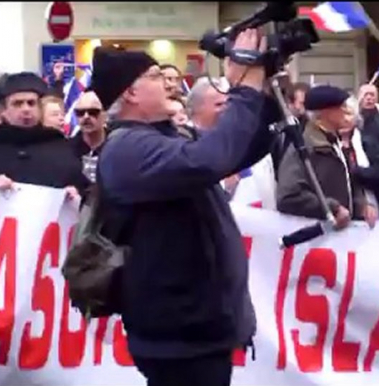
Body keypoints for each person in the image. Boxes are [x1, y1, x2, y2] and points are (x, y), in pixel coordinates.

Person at [93, 29, 277, 386]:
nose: (168, 81)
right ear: (130, 93)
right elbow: (210, 160)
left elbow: (238, 148)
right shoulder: (127, 149)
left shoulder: (164, 137)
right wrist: (244, 88)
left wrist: (264, 86)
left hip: (198, 326)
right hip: (178, 334)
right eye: (154, 76)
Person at [0, 72, 88, 197]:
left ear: (40, 108)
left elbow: (85, 190)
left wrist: (76, 192)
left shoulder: (61, 147)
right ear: (3, 111)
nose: (26, 109)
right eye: (17, 103)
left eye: (31, 103)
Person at [277, 85, 378, 229]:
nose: (346, 110)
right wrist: (332, 208)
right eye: (341, 106)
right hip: (316, 239)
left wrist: (362, 205)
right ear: (325, 113)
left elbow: (349, 182)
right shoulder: (304, 148)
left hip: (341, 238)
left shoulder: (334, 143)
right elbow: (288, 196)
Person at [69, 91, 107, 182]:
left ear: (105, 115)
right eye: (80, 113)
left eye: (93, 112)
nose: (86, 117)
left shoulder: (118, 146)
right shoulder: (67, 150)